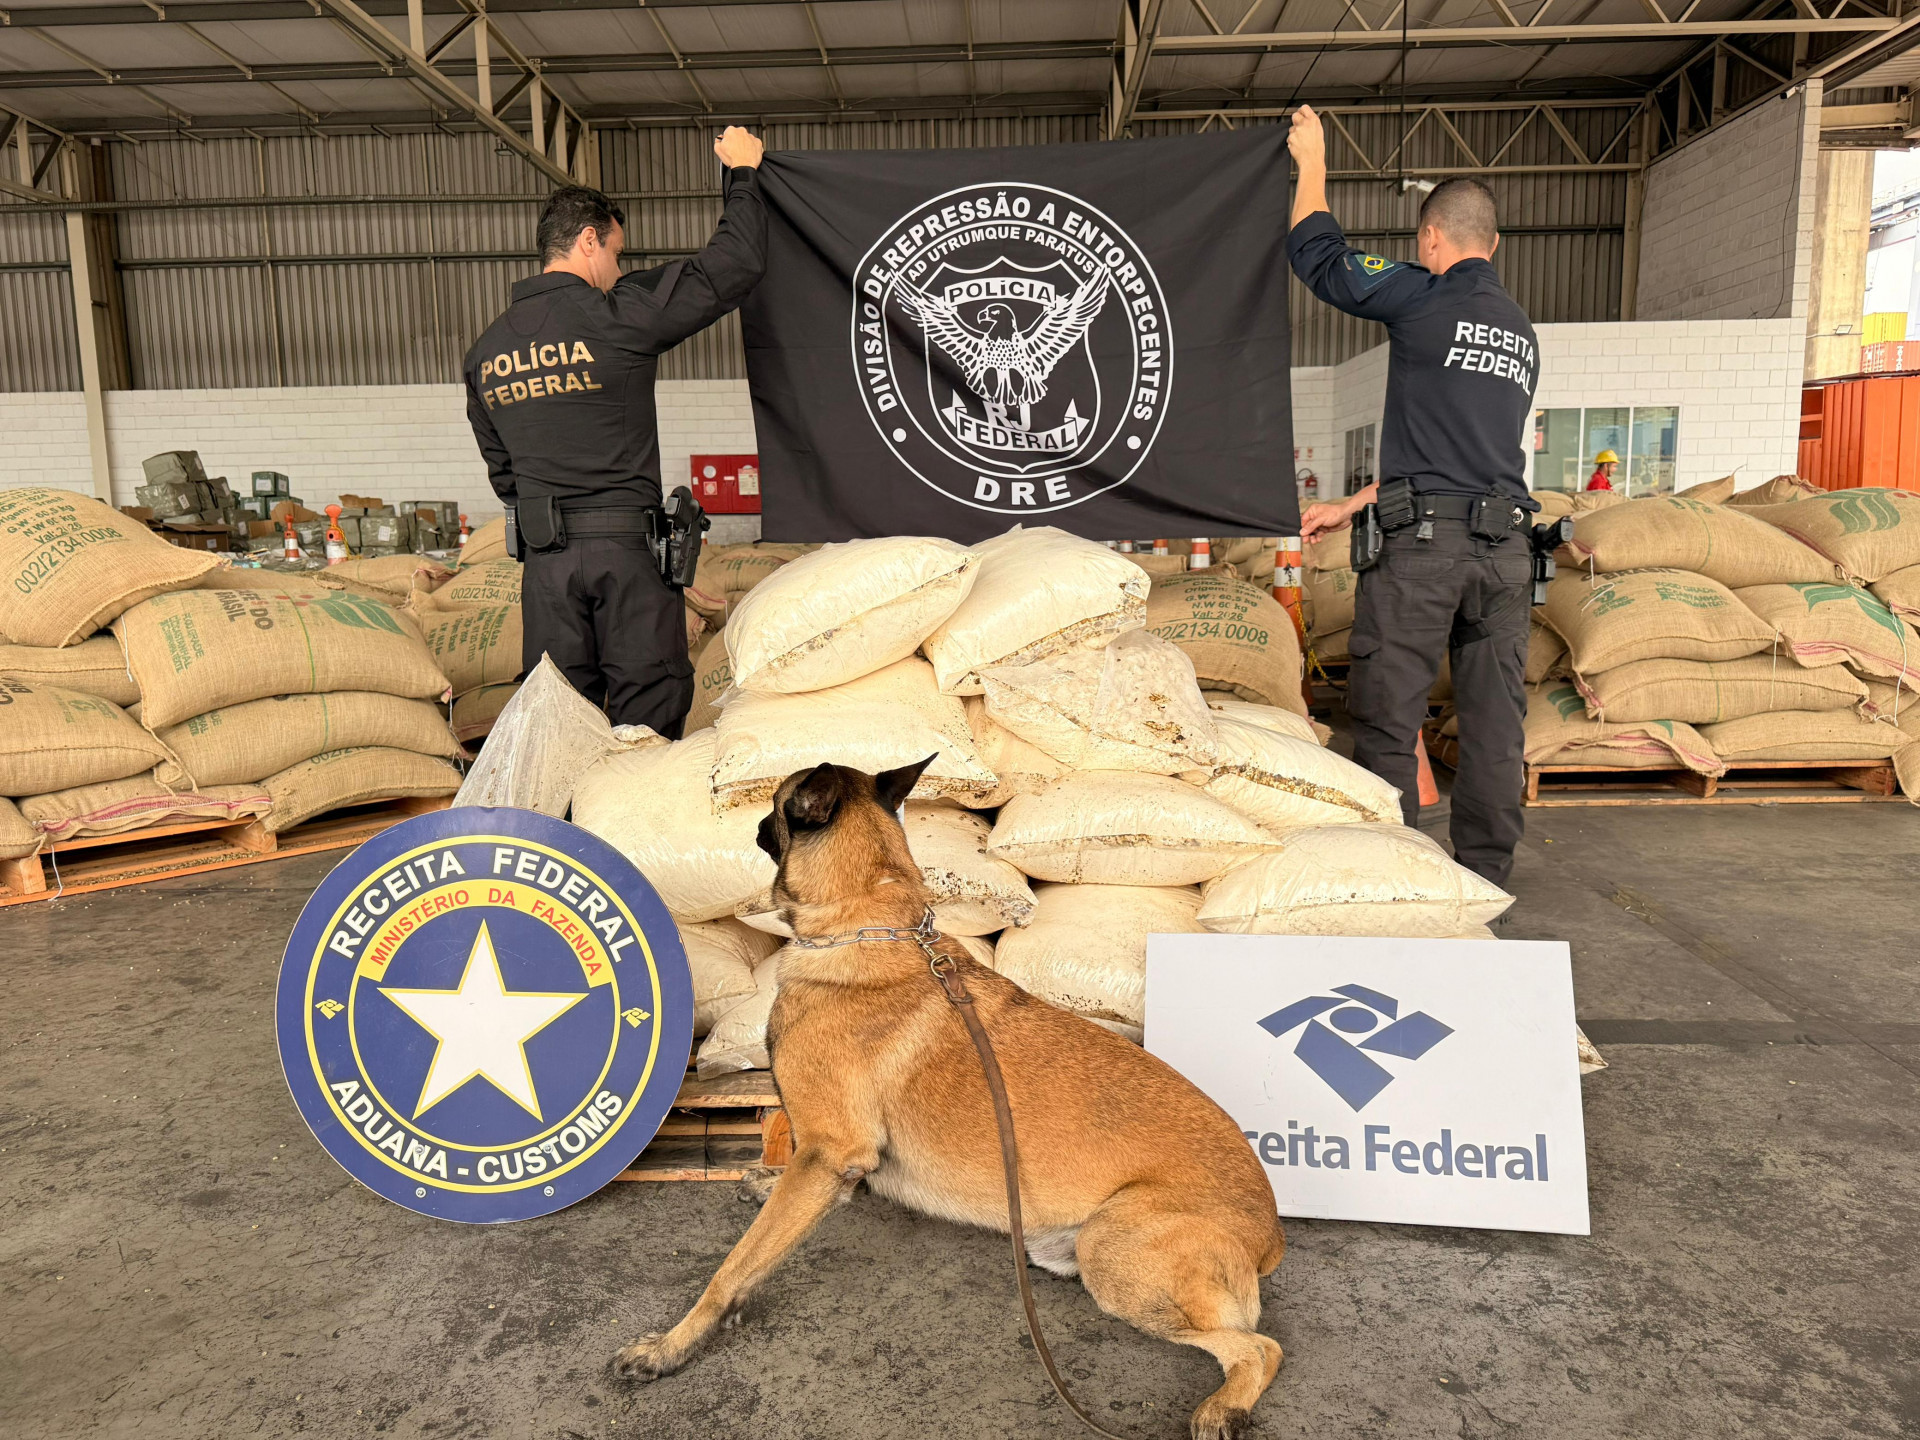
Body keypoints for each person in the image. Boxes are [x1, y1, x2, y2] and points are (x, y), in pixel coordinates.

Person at [1286, 104, 1539, 888]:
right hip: (1505, 556)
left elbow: (1318, 257)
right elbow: (1461, 454)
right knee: (1496, 727)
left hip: (1425, 557)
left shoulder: (1426, 297)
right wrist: (1356, 503)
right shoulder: (1519, 330)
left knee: (1388, 717)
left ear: (1432, 240)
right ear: (1491, 246)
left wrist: (1314, 163)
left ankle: (1401, 883)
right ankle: (1488, 879)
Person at [463, 126, 767, 737]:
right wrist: (743, 175)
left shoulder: (486, 351)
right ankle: (632, 831)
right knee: (647, 711)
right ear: (587, 241)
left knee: (559, 717)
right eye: (616, 254)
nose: (617, 268)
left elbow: (503, 475)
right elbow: (730, 269)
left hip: (545, 568)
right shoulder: (615, 318)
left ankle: (565, 830)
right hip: (626, 556)